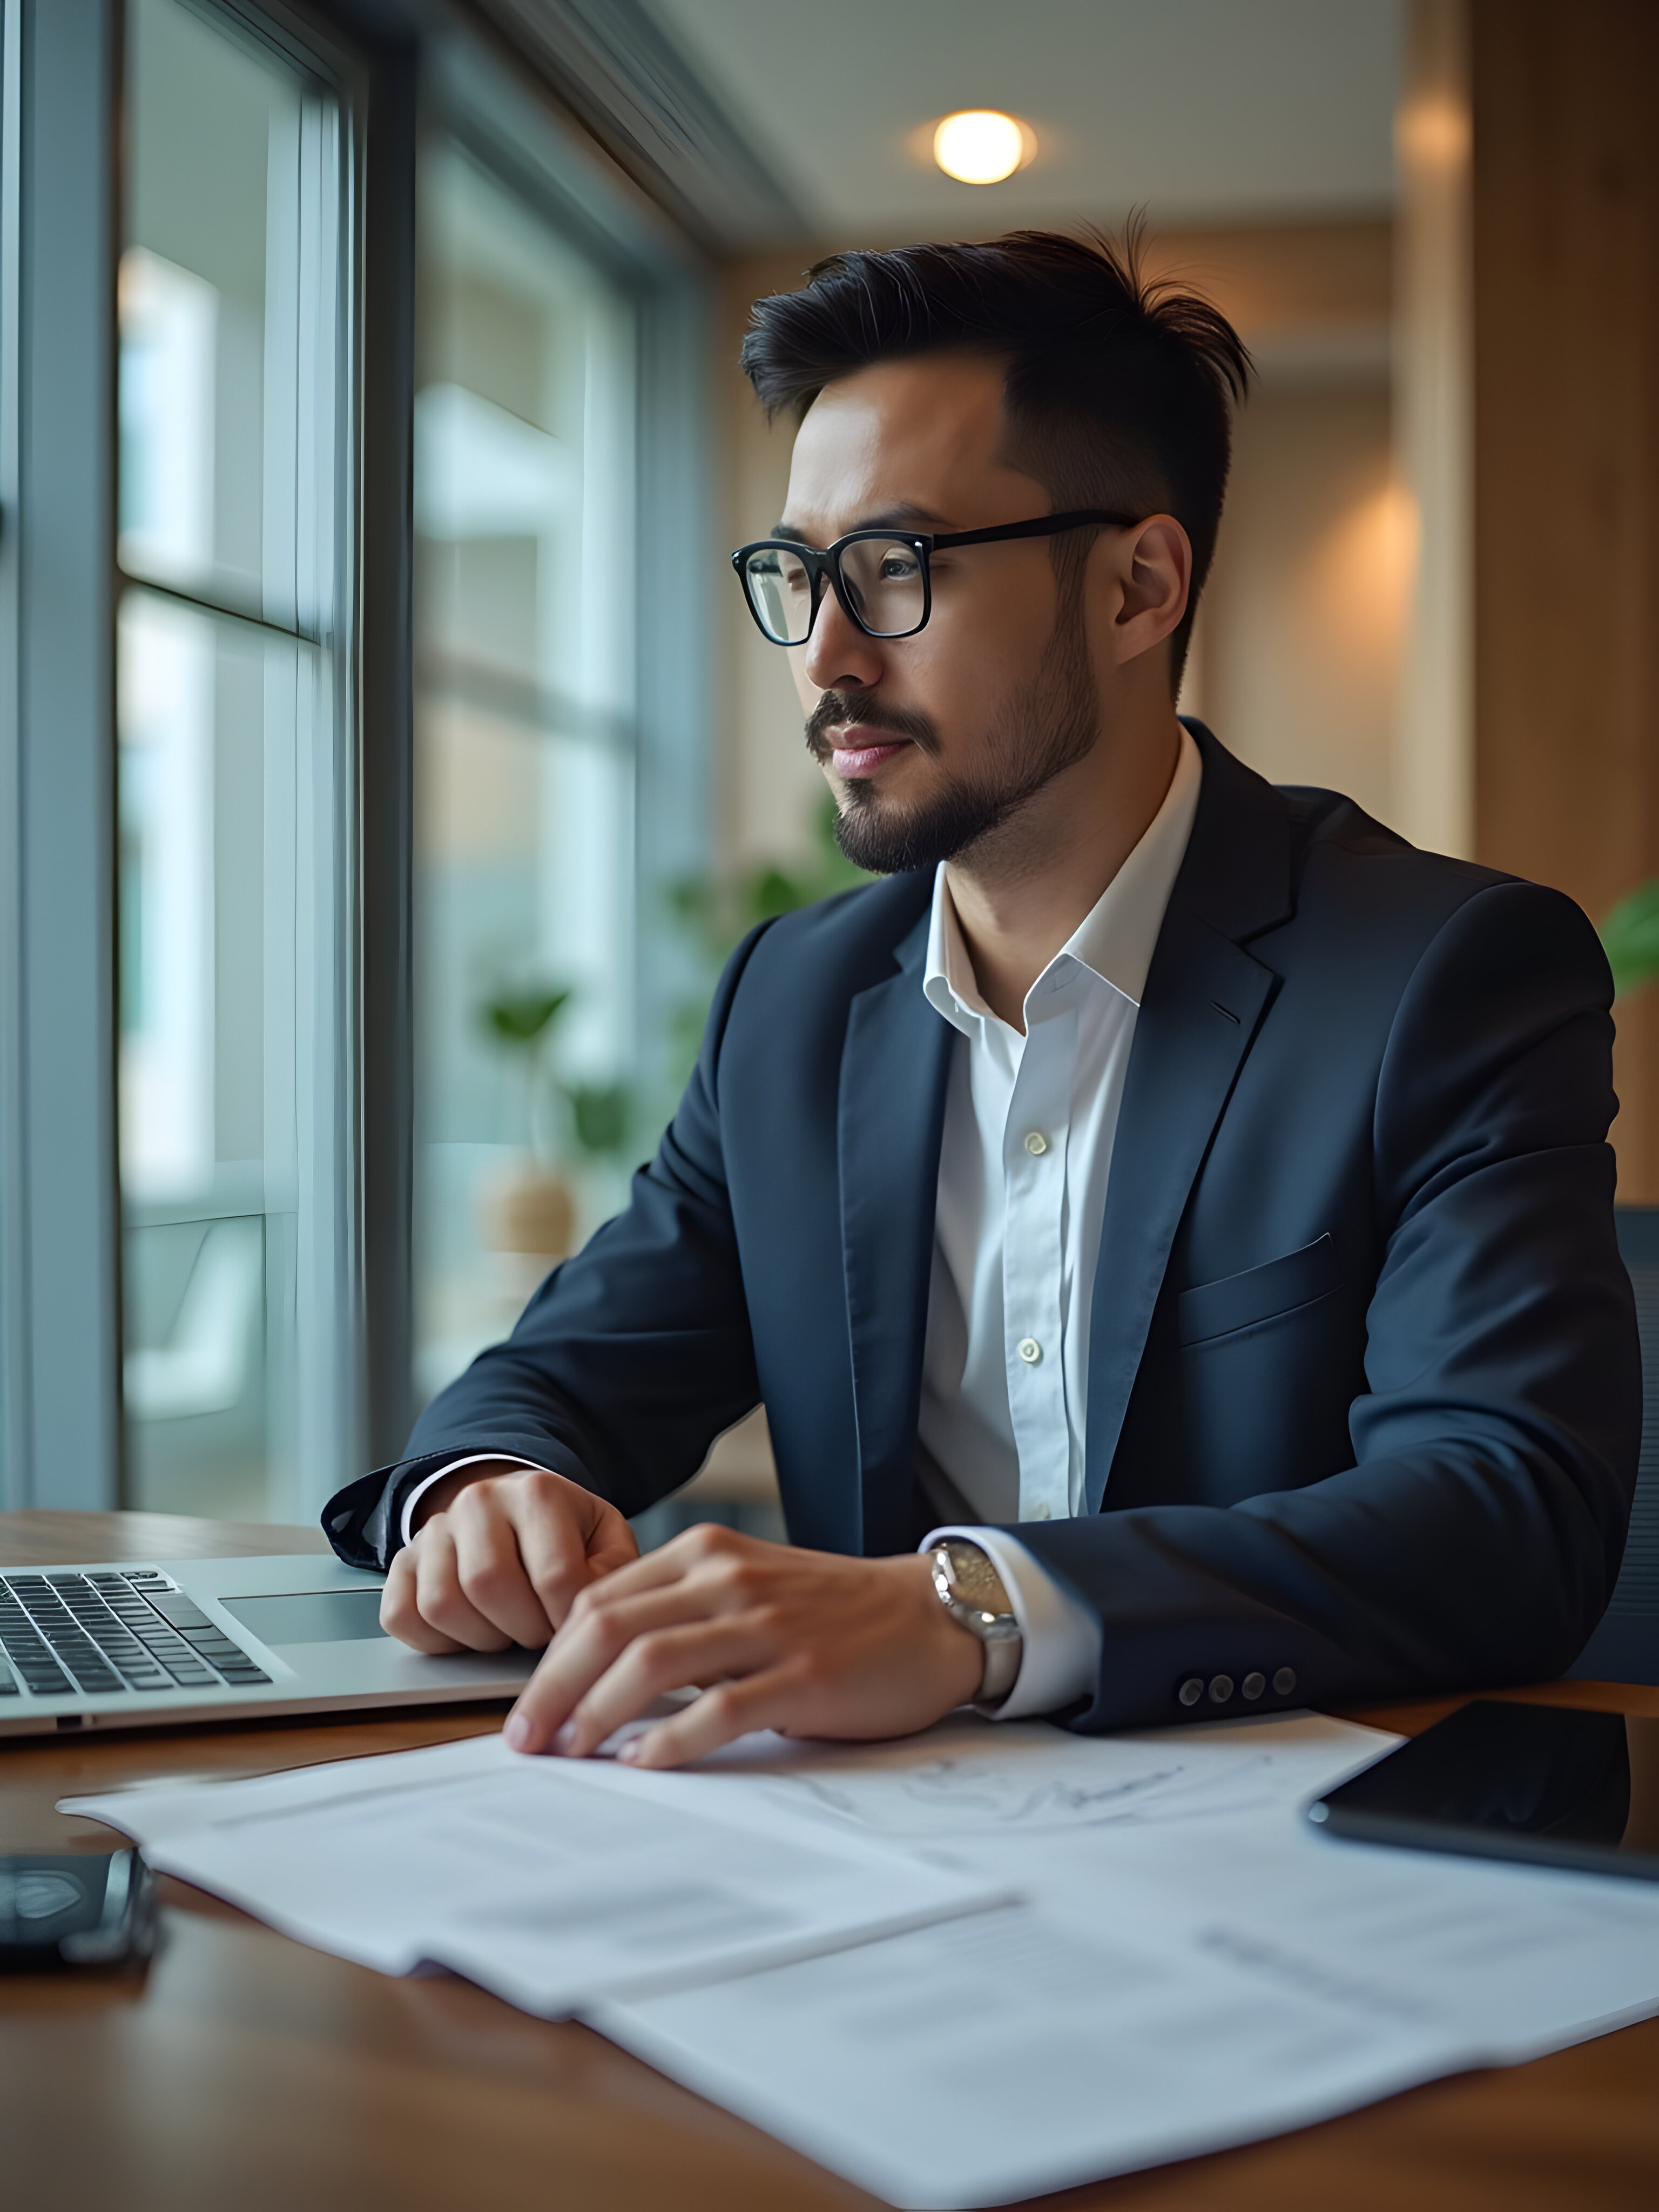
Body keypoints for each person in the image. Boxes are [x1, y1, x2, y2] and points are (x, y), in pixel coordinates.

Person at [323, 228, 1639, 1771]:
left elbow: (1506, 1514)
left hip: (1291, 1859)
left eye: (895, 571)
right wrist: (488, 1492)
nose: (824, 657)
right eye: (799, 574)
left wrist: (970, 1618)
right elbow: (569, 1371)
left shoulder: (1444, 975)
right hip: (866, 1859)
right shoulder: (794, 1001)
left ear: (1140, 585)